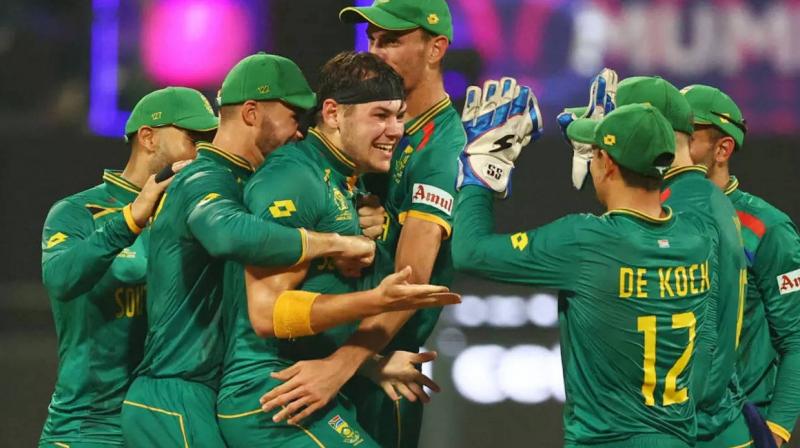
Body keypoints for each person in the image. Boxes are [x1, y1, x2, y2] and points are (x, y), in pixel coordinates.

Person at [120, 53, 377, 447]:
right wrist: (335, 242)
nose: (301, 132)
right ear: (252, 112)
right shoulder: (203, 176)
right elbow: (226, 233)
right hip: (175, 394)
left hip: (207, 392)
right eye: (294, 116)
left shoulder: (253, 182)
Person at [217, 50, 459, 448]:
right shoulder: (294, 177)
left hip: (302, 388)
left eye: (399, 116)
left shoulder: (347, 181)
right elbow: (266, 314)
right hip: (269, 393)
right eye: (380, 115)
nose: (395, 130)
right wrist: (374, 302)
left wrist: (368, 363)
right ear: (332, 114)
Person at [453, 78, 715, 446]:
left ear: (606, 162)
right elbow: (629, 232)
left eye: (595, 151)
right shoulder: (696, 239)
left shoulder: (582, 240)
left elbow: (470, 252)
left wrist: (481, 172)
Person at [39, 86, 218, 447]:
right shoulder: (77, 212)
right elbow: (60, 279)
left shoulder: (203, 217)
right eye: (194, 139)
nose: (204, 152)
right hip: (92, 428)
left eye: (210, 141)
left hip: (172, 421)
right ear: (148, 138)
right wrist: (130, 219)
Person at [683, 84, 800, 447]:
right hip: (666, 430)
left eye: (687, 137)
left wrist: (774, 432)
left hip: (738, 431)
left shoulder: (768, 228)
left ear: (723, 149)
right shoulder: (655, 216)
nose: (674, 148)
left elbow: (796, 338)